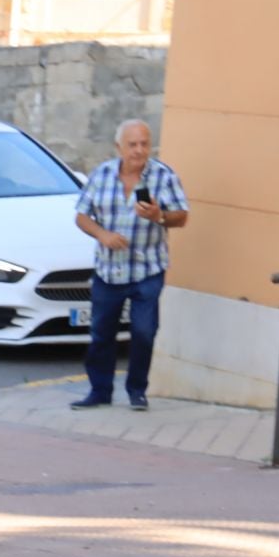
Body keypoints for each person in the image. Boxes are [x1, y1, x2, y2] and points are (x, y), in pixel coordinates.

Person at [72, 119, 189, 412]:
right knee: (101, 333)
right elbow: (82, 216)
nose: (139, 150)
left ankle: (137, 390)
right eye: (133, 144)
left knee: (144, 331)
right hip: (108, 270)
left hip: (147, 269)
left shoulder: (163, 177)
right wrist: (103, 235)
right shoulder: (102, 174)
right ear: (119, 147)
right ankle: (99, 391)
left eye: (144, 144)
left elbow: (182, 216)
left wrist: (158, 215)